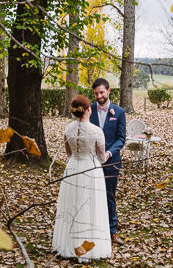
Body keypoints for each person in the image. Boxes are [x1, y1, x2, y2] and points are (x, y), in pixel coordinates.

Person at [52, 95, 112, 261]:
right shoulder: (96, 131)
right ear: (87, 109)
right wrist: (108, 154)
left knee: (72, 204)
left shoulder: (67, 130)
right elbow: (101, 157)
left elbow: (69, 153)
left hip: (72, 167)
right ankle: (91, 246)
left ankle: (68, 244)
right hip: (91, 169)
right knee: (90, 205)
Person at [88, 78, 127, 245]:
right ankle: (94, 228)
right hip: (91, 162)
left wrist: (110, 153)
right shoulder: (88, 109)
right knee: (91, 195)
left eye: (102, 92)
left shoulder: (119, 112)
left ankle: (112, 231)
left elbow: (121, 138)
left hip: (111, 162)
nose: (99, 96)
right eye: (96, 93)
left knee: (109, 196)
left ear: (109, 91)